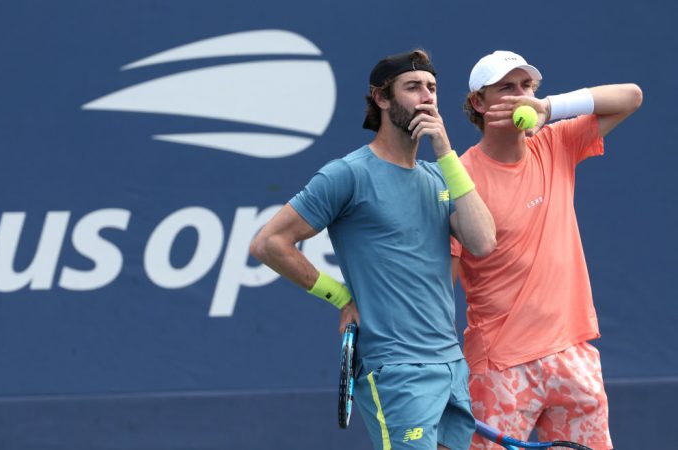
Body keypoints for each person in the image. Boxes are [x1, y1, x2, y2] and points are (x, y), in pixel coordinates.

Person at [250, 49, 496, 450]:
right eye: (412, 87)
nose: (426, 97)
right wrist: (341, 297)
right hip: (395, 368)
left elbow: (483, 242)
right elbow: (269, 243)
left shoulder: (441, 175)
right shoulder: (348, 174)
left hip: (451, 363)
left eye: (432, 88)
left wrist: (446, 152)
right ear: (381, 98)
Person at [450, 50, 643, 450]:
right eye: (507, 87)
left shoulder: (556, 142)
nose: (521, 95)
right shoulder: (459, 178)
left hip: (573, 353)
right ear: (478, 104)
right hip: (500, 367)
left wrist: (549, 108)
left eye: (527, 86)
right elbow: (441, 281)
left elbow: (631, 96)